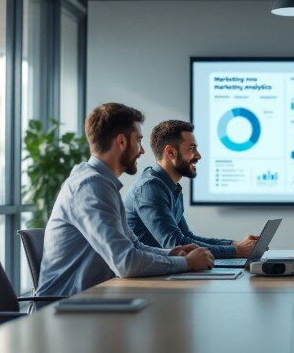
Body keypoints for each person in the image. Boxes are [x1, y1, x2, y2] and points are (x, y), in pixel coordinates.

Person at [38, 103, 214, 297]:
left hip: (93, 300)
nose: (142, 150)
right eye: (138, 141)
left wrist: (173, 253)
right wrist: (187, 263)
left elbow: (134, 246)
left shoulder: (102, 183)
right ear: (121, 142)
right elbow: (126, 263)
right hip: (64, 309)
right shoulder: (90, 187)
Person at [124, 120, 258, 259]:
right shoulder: (149, 189)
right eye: (191, 149)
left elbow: (187, 237)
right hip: (144, 278)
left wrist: (235, 245)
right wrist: (237, 251)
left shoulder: (171, 188)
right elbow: (176, 244)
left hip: (161, 272)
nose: (198, 155)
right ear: (170, 152)